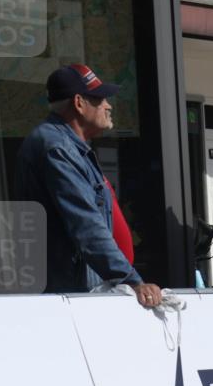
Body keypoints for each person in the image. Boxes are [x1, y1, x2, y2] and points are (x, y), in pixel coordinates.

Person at [16, 64, 161, 308]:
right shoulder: (57, 148)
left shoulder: (69, 146)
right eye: (99, 99)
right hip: (68, 297)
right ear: (79, 103)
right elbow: (86, 224)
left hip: (76, 292)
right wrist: (132, 281)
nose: (108, 105)